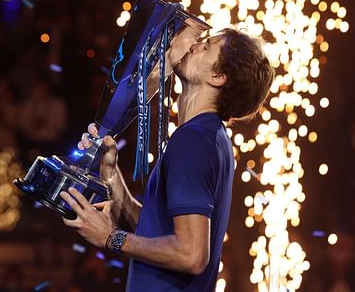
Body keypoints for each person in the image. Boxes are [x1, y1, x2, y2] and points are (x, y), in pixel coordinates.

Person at [60, 28, 274, 291]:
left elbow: (192, 255)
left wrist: (111, 238)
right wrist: (112, 175)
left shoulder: (194, 141)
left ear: (218, 76)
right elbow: (157, 231)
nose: (195, 45)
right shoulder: (209, 136)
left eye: (207, 46)